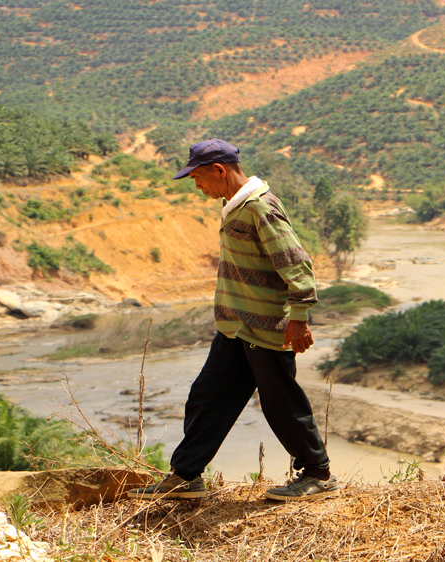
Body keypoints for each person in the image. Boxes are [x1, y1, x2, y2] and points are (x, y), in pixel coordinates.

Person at [127, 138, 337, 502]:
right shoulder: (233, 206)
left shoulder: (260, 208)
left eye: (198, 178)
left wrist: (299, 319)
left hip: (265, 326)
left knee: (281, 402)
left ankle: (318, 474)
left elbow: (298, 264)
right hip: (235, 327)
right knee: (208, 396)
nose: (197, 186)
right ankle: (186, 475)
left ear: (219, 170)